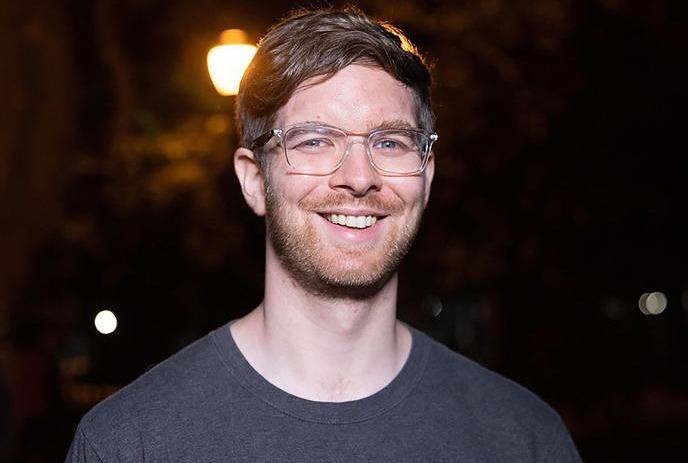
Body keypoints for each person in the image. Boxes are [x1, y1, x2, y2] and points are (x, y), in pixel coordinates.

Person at [66, 7, 582, 462]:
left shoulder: (523, 439)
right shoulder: (129, 443)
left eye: (391, 142)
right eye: (314, 141)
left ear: (426, 177)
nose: (359, 176)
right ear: (254, 181)